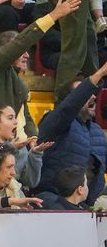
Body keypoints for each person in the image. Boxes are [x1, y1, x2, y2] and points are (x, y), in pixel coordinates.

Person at [0, 0, 81, 138]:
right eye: (22, 52)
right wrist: (53, 16)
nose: (27, 56)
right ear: (6, 50)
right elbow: (21, 43)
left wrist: (34, 140)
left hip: (12, 145)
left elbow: (26, 118)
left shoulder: (19, 83)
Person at [35, 61, 107, 205]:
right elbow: (68, 108)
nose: (93, 96)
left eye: (92, 93)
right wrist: (99, 74)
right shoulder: (54, 121)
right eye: (85, 93)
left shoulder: (97, 131)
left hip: (87, 203)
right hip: (53, 199)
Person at [0, 108, 51, 188]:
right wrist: (9, 148)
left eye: (15, 118)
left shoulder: (19, 147)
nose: (16, 122)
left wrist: (35, 155)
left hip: (15, 194)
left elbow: (31, 182)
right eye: (10, 118)